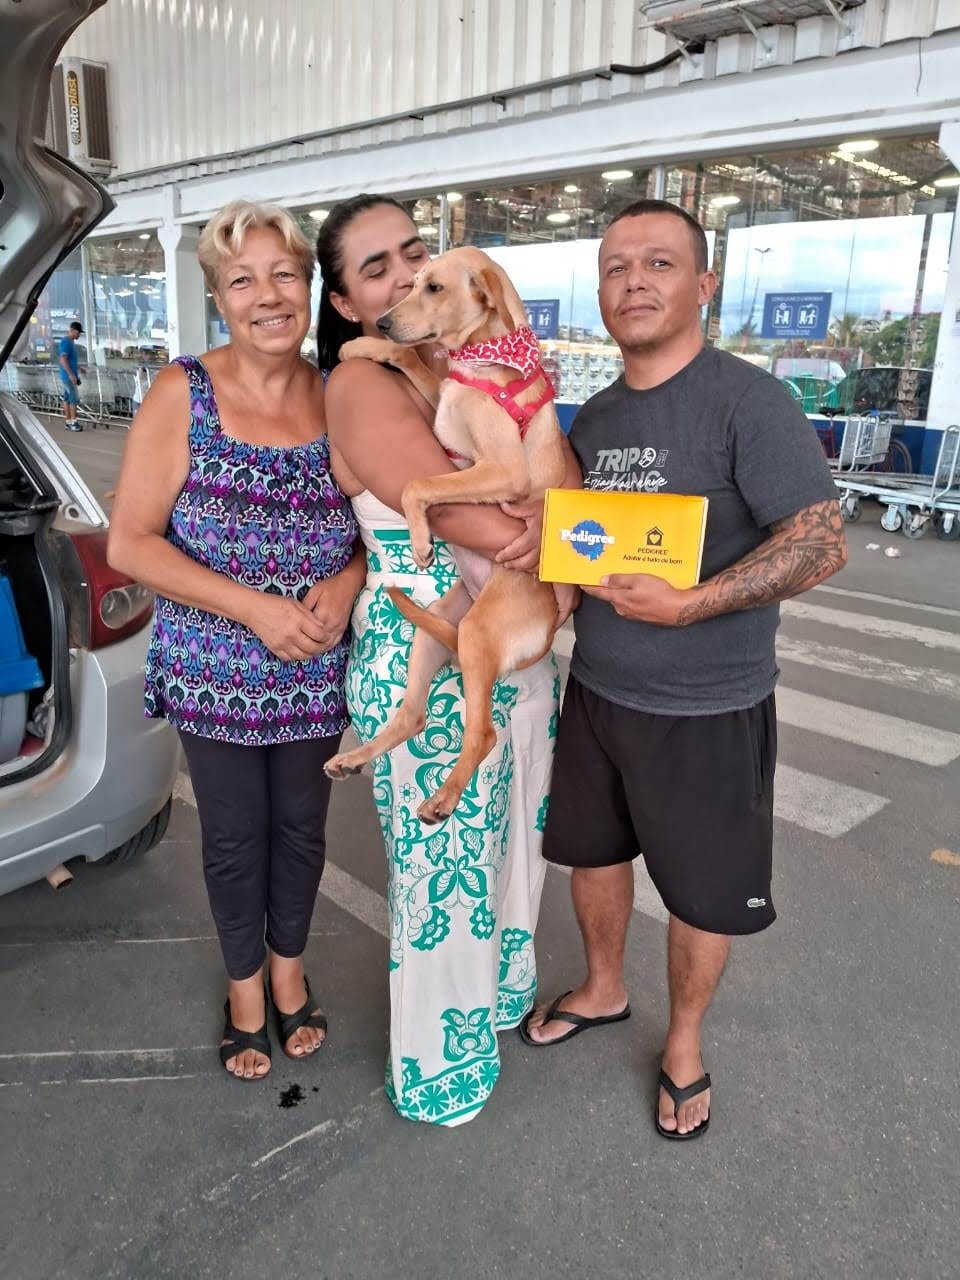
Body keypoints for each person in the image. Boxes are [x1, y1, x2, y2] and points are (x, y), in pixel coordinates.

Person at [522, 199, 847, 1141]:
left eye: (659, 264)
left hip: (708, 706)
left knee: (703, 891)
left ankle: (684, 1047)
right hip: (599, 692)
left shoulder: (749, 400)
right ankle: (604, 987)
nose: (635, 281)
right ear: (599, 292)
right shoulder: (602, 412)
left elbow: (819, 543)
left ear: (703, 285)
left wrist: (692, 602)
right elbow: (583, 540)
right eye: (618, 267)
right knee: (592, 858)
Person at [318, 195, 573, 1126]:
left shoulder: (460, 366)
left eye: (415, 260)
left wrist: (559, 521)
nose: (402, 283)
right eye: (377, 269)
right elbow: (466, 516)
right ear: (346, 302)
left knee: (510, 851)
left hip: (512, 638)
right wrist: (550, 530)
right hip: (427, 629)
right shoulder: (361, 382)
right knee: (443, 881)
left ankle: (495, 1006)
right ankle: (440, 1070)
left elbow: (542, 482)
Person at [108, 200, 364, 1082]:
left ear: (310, 289)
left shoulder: (340, 393)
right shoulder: (183, 391)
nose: (267, 295)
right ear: (219, 297)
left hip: (315, 664)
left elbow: (378, 528)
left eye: (284, 274)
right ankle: (245, 991)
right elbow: (130, 541)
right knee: (232, 835)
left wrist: (346, 581)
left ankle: (290, 974)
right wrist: (252, 607)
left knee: (301, 827)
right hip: (214, 667)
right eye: (243, 278)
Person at [58, 320, 83, 431]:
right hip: (68, 377)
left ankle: (68, 422)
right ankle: (74, 422)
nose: (79, 335)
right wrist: (71, 375)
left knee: (67, 399)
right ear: (72, 330)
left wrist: (79, 368)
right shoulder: (66, 342)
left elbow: (70, 360)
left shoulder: (70, 342)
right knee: (73, 399)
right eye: (78, 332)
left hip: (67, 375)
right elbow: (63, 359)